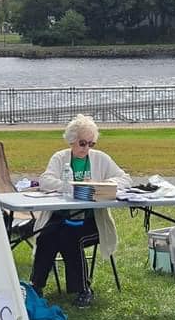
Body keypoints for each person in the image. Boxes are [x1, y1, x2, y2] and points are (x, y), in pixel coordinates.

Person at [29, 114, 130, 308]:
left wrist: (102, 184)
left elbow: (125, 179)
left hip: (93, 221)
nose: (86, 148)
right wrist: (72, 186)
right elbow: (45, 180)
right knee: (47, 235)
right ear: (72, 141)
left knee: (70, 236)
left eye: (91, 144)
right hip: (61, 217)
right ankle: (36, 286)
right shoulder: (60, 158)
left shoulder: (101, 159)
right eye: (82, 143)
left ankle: (84, 289)